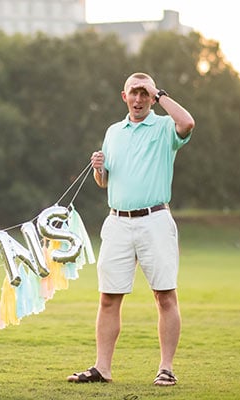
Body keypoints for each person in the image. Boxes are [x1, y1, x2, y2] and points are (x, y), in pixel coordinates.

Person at [67, 72, 195, 386]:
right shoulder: (113, 132)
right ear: (123, 96)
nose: (138, 99)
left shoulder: (165, 127)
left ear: (152, 97)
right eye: (133, 93)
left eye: (144, 93)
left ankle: (166, 368)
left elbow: (188, 122)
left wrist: (160, 93)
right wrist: (99, 169)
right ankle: (102, 369)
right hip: (117, 222)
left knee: (164, 296)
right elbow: (105, 182)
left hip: (155, 220)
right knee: (108, 298)